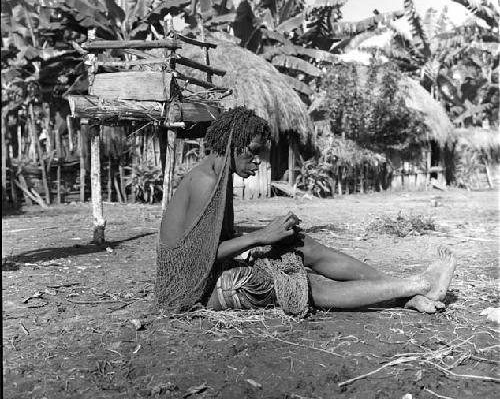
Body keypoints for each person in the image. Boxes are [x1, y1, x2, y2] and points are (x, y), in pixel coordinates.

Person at [157, 107, 456, 315]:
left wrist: (275, 234)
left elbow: (215, 239)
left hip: (207, 273)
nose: (258, 160)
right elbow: (197, 256)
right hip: (192, 291)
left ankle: (403, 293)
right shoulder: (206, 182)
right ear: (235, 146)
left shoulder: (220, 175)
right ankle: (419, 285)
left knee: (299, 245)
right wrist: (261, 236)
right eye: (254, 151)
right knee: (299, 281)